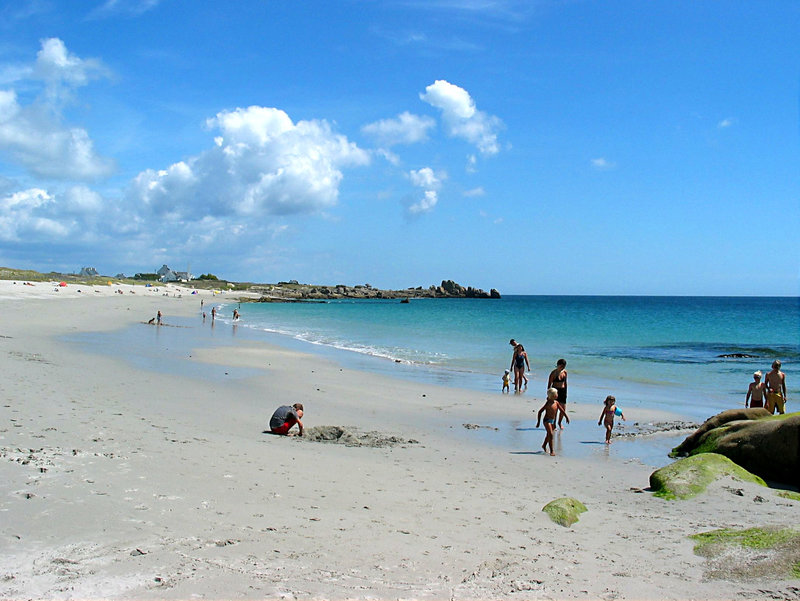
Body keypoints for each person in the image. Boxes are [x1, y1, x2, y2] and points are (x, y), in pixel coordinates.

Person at [536, 388, 561, 455]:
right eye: (556, 394)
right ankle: (552, 451)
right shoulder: (548, 403)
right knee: (551, 434)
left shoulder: (556, 403)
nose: (557, 395)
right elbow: (540, 412)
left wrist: (566, 417)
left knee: (548, 435)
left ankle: (544, 445)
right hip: (547, 420)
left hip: (552, 421)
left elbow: (562, 410)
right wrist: (538, 422)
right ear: (553, 396)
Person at [547, 359, 569, 429]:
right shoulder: (553, 373)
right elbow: (549, 384)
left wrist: (566, 392)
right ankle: (554, 424)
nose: (563, 367)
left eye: (564, 366)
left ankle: (559, 422)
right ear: (558, 365)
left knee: (563, 409)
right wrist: (548, 395)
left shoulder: (565, 372)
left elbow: (565, 383)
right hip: (555, 391)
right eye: (561, 366)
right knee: (555, 409)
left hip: (563, 391)